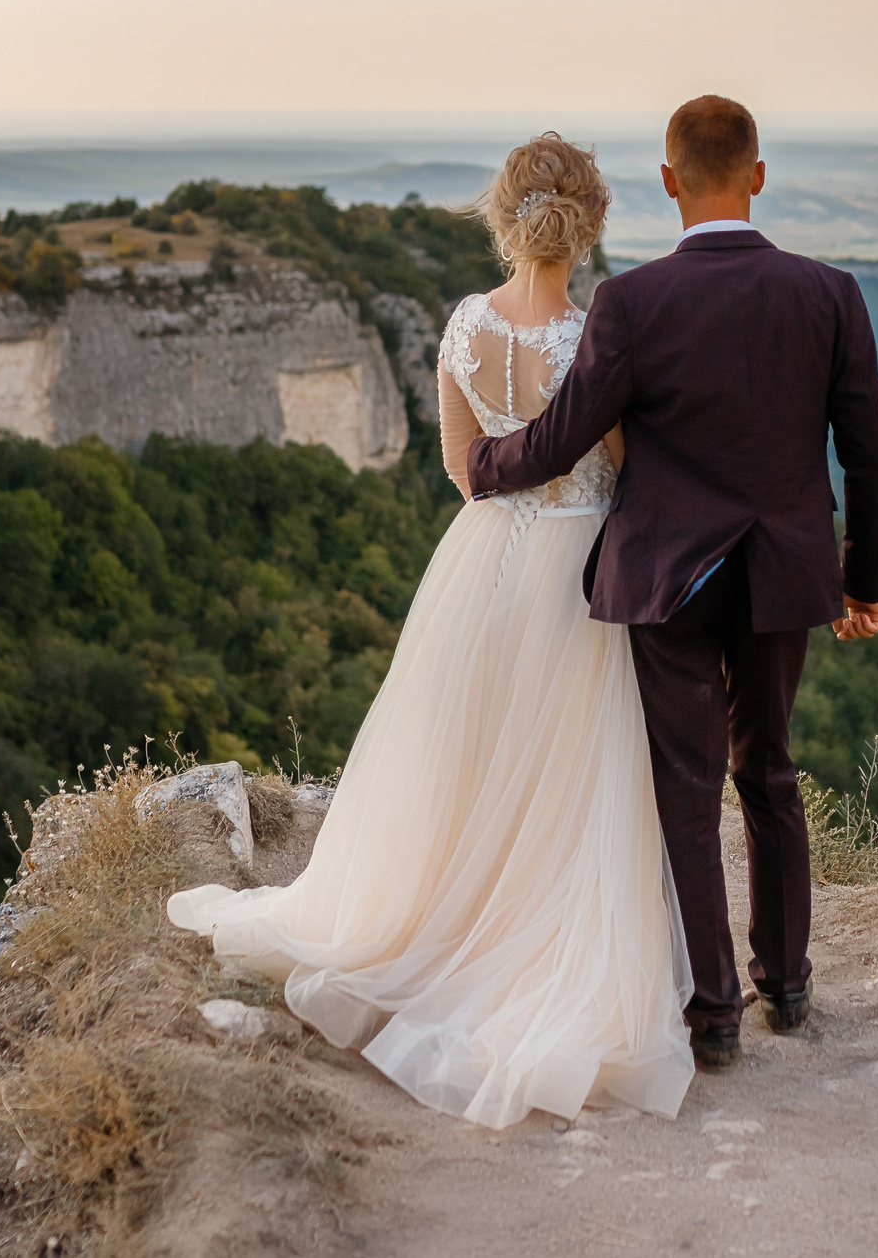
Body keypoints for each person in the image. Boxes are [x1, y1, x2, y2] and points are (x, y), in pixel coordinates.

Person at [167, 131, 693, 1129]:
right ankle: (517, 944)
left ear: (502, 217)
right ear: (589, 228)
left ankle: (427, 918)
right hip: (576, 568)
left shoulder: (460, 326)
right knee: (565, 772)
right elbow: (623, 466)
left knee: (464, 754)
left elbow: (465, 472)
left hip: (480, 560)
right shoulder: (594, 339)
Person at [467, 94, 878, 1071]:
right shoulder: (829, 293)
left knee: (686, 786)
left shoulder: (632, 304)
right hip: (785, 575)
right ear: (756, 174)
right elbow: (872, 455)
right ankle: (785, 982)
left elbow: (564, 436)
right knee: (770, 771)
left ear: (668, 183)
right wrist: (861, 581)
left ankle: (712, 1014)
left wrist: (484, 470)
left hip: (665, 577)